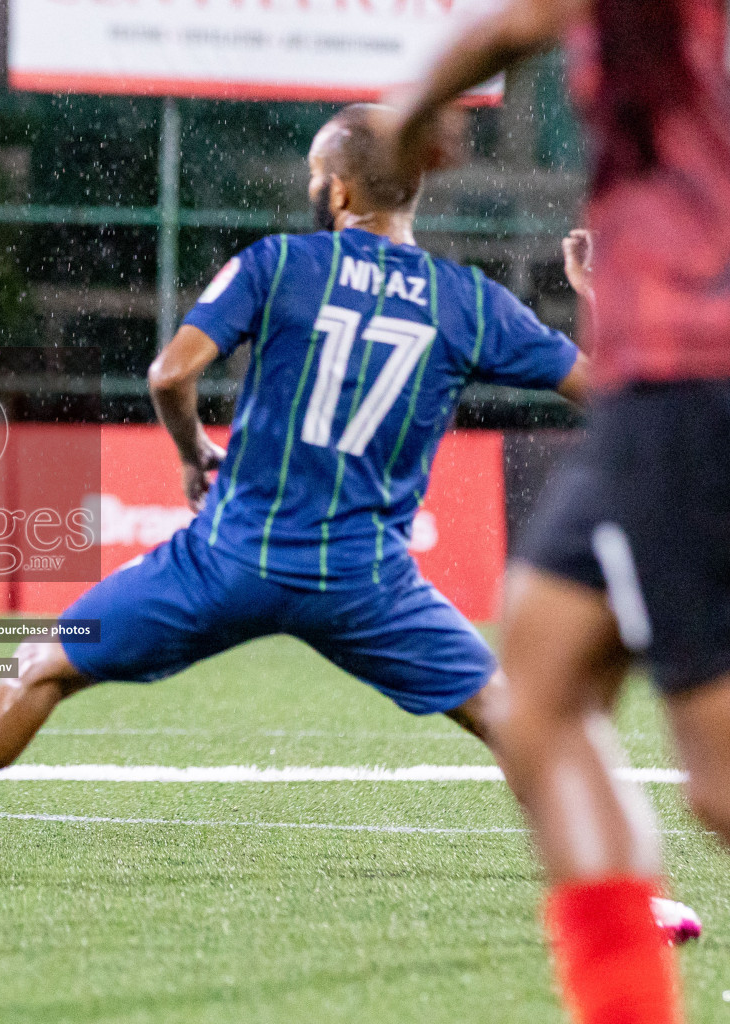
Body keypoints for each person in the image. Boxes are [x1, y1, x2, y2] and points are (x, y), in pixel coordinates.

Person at [0, 105, 691, 943]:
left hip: (230, 556)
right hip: (365, 578)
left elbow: (171, 375)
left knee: (42, 666)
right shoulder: (472, 303)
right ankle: (629, 899)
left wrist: (188, 453)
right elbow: (613, 389)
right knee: (515, 716)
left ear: (335, 190)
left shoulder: (279, 264)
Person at [388, 0, 730, 1021]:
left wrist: (409, 119)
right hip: (655, 384)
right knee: (535, 688)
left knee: (717, 785)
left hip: (689, 385)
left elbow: (507, 28)